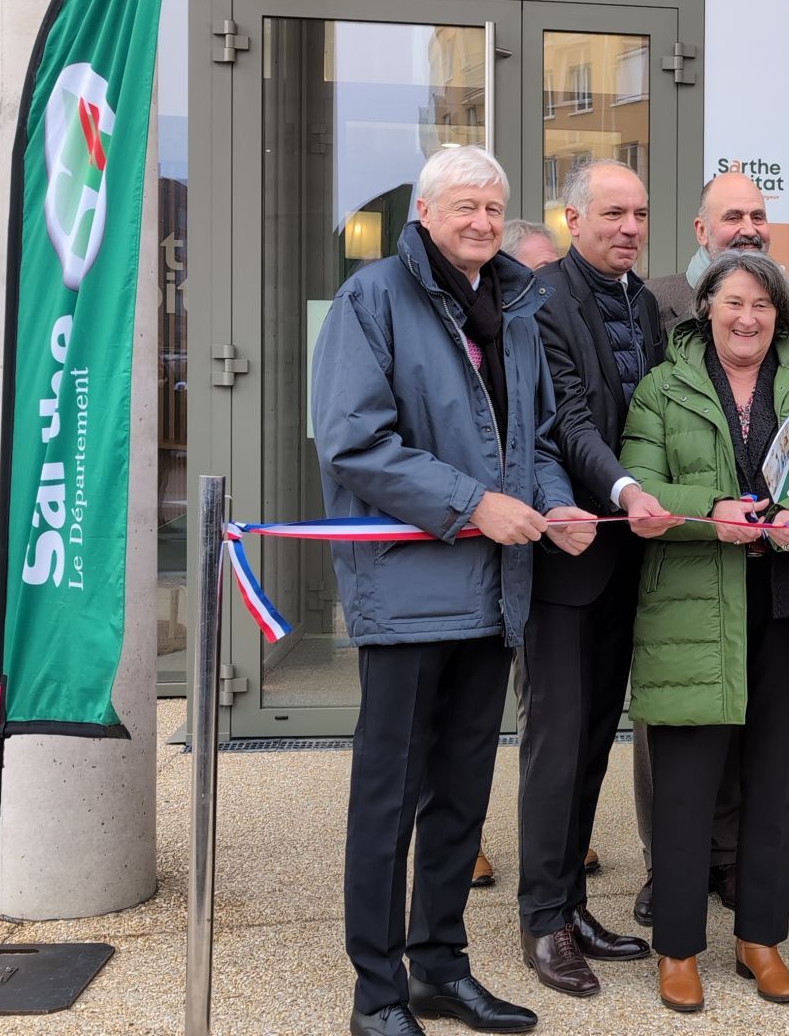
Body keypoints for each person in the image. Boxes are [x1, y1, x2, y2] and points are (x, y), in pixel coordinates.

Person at [314, 145, 599, 1036]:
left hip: (493, 595)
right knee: (388, 800)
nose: (481, 221)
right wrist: (477, 504)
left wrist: (556, 508)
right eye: (464, 207)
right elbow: (353, 444)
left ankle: (440, 967)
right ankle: (379, 993)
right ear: (426, 214)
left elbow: (540, 438)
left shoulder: (516, 304)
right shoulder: (373, 300)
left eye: (494, 207)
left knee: (462, 797)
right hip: (406, 596)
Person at [618, 250, 789, 1012]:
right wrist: (713, 510)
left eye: (763, 306)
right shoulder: (662, 387)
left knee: (777, 783)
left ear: (782, 314)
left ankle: (760, 938)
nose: (747, 318)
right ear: (707, 306)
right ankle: (677, 947)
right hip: (694, 614)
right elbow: (642, 489)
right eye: (734, 302)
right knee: (686, 787)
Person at [516, 159, 669, 997]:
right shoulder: (544, 301)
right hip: (564, 560)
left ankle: (571, 904)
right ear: (574, 220)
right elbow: (566, 417)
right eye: (613, 213)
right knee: (554, 745)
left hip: (627, 561)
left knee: (594, 745)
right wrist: (625, 489)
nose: (628, 227)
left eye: (639, 214)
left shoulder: (643, 303)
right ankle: (541, 922)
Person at [630, 175, 759, 930]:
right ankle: (667, 863)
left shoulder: (788, 298)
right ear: (700, 227)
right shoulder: (657, 296)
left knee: (744, 715)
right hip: (678, 538)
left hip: (765, 549)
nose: (746, 227)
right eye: (731, 216)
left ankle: (732, 855)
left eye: (757, 215)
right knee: (670, 724)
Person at [472, 219, 560, 894]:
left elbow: (546, 437)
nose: (542, 291)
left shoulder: (533, 333)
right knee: (456, 720)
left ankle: (553, 837)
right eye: (532, 276)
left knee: (534, 706)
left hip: (541, 546)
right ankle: (462, 842)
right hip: (466, 545)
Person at [644, 170, 772, 322]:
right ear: (702, 231)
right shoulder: (649, 302)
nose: (750, 231)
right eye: (733, 218)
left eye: (757, 217)